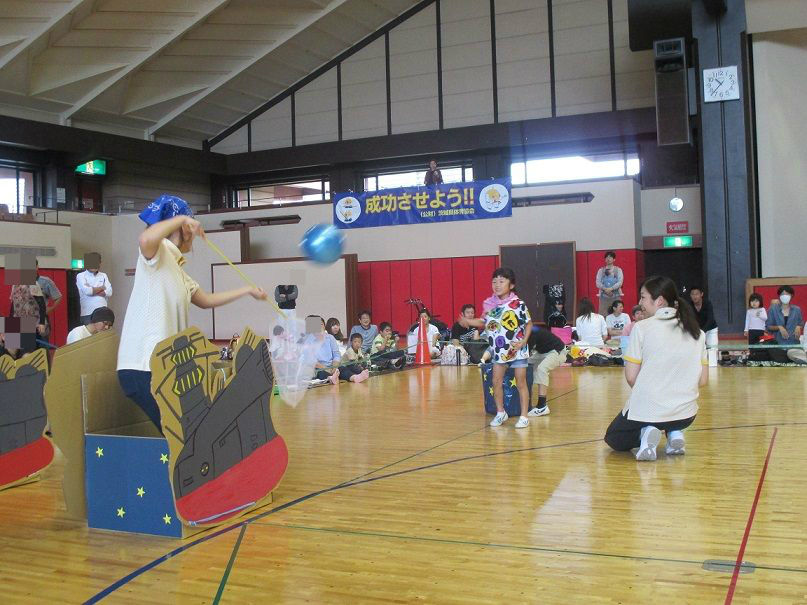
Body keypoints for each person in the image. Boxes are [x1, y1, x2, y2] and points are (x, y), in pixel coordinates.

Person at [116, 195, 268, 429]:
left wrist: (247, 290)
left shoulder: (177, 270)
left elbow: (206, 301)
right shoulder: (158, 254)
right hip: (143, 366)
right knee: (185, 435)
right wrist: (181, 219)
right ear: (181, 228)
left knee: (189, 433)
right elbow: (146, 238)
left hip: (163, 368)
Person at [604, 275, 707, 461]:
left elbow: (631, 377)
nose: (639, 303)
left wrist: (651, 398)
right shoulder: (697, 332)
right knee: (669, 417)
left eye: (643, 297)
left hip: (649, 410)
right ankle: (674, 432)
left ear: (659, 301)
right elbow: (703, 380)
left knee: (614, 438)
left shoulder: (641, 328)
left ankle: (647, 431)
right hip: (686, 414)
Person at [459, 267, 532, 429]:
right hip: (499, 351)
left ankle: (524, 416)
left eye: (501, 281)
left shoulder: (518, 304)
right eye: (494, 282)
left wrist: (523, 341)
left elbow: (528, 324)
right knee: (495, 381)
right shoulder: (490, 305)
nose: (497, 285)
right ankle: (500, 412)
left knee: (521, 382)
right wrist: (468, 321)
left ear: (511, 285)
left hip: (517, 350)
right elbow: (483, 322)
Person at [305, 316, 368, 384]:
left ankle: (354, 378)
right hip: (319, 367)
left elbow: (336, 354)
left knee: (342, 368)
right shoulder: (308, 341)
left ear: (324, 326)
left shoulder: (330, 338)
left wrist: (334, 367)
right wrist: (327, 369)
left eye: (321, 324)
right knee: (321, 373)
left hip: (332, 365)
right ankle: (331, 379)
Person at [527, 327, 566, 417]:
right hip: (542, 352)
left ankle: (542, 406)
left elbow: (525, 353)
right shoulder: (524, 332)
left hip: (557, 351)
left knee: (541, 369)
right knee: (525, 364)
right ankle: (525, 401)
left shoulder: (532, 332)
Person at [765, 285, 806, 364]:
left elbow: (801, 323)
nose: (785, 296)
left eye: (787, 294)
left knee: (793, 353)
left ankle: (795, 357)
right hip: (778, 345)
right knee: (778, 356)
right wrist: (779, 327)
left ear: (791, 295)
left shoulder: (797, 309)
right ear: (779, 296)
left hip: (793, 344)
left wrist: (799, 326)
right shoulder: (773, 309)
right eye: (782, 294)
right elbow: (768, 327)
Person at [77, 254, 112, 325]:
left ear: (100, 263)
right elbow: (88, 291)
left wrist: (93, 289)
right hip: (87, 313)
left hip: (103, 312)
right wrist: (102, 287)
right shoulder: (81, 275)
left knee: (103, 332)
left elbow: (109, 292)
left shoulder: (104, 275)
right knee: (88, 332)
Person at [595, 251, 623, 316]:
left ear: (614, 259)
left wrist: (611, 288)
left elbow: (620, 282)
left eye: (610, 257)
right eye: (607, 257)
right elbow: (598, 283)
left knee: (617, 315)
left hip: (616, 296)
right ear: (605, 259)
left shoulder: (618, 270)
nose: (608, 259)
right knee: (603, 316)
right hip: (603, 298)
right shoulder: (601, 270)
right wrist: (605, 289)